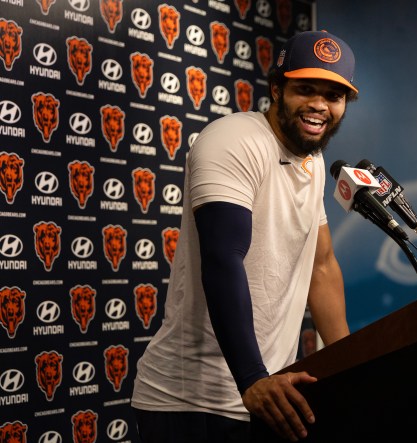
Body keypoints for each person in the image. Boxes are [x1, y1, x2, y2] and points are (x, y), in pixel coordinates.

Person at [131, 30, 359, 443]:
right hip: (195, 402)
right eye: (305, 89)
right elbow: (223, 257)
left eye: (333, 96)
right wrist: (252, 377)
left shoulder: (311, 158)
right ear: (276, 88)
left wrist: (354, 366)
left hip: (269, 395)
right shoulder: (234, 140)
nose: (319, 106)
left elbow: (321, 267)